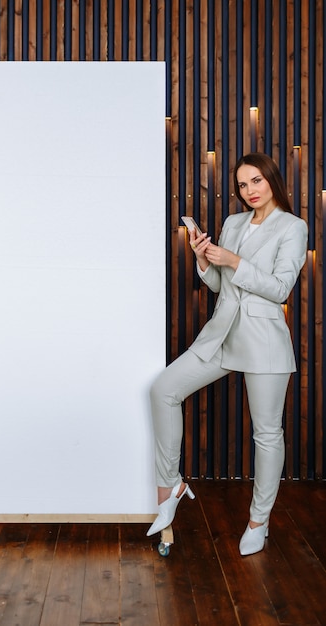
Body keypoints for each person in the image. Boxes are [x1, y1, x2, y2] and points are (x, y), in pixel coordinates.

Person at [147, 152, 308, 555]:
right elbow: (221, 285)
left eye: (256, 181)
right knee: (163, 390)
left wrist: (233, 260)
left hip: (264, 341)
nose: (249, 190)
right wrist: (204, 259)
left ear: (272, 180)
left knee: (267, 434)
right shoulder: (234, 223)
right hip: (221, 334)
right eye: (242, 185)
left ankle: (259, 520)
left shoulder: (293, 227)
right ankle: (171, 486)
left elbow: (279, 288)